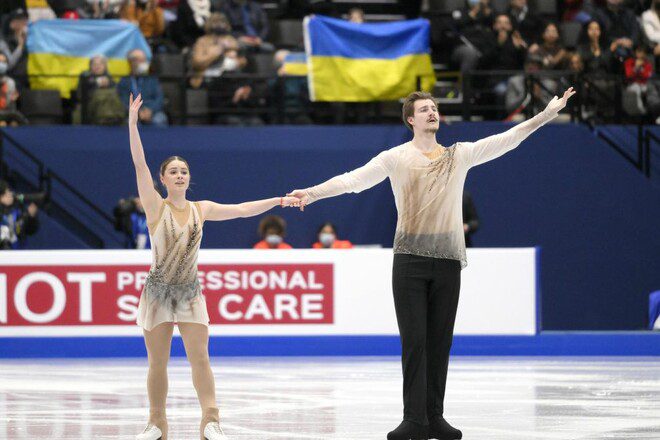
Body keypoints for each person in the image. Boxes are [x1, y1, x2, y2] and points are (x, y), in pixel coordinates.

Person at [288, 87, 576, 440]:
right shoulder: (395, 158)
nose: (432, 112)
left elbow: (508, 139)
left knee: (440, 342)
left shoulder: (459, 155)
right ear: (411, 119)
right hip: (409, 260)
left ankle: (434, 416)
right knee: (415, 342)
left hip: (448, 260)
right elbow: (352, 181)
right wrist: (311, 193)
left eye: (434, 107)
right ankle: (414, 419)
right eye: (424, 109)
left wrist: (545, 115)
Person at [128, 93, 300, 440]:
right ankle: (156, 424)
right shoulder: (155, 207)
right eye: (173, 172)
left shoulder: (201, 209)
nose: (179, 175)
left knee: (200, 359)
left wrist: (279, 200)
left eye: (184, 171)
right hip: (157, 293)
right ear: (163, 179)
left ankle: (210, 421)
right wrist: (133, 124)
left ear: (189, 178)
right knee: (157, 363)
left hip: (189, 293)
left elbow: (242, 209)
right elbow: (140, 166)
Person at [117, 49, 168, 127]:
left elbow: (159, 98)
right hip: (132, 113)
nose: (144, 63)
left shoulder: (152, 79)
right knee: (130, 122)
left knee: (159, 119)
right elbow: (123, 101)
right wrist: (137, 112)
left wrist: (150, 110)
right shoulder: (124, 81)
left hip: (152, 111)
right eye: (141, 60)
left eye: (144, 60)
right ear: (131, 62)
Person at [76, 54, 123, 125]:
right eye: (94, 64)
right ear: (90, 66)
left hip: (113, 114)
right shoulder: (85, 77)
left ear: (105, 66)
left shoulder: (111, 80)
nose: (97, 66)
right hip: (91, 113)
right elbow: (81, 95)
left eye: (100, 64)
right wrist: (97, 83)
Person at [0, 180, 39, 250]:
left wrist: (30, 217)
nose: (10, 194)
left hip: (18, 252)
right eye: (7, 193)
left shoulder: (18, 210)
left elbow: (29, 230)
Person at [0, 52, 27, 126]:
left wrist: (13, 99)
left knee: (14, 123)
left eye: (3, 62)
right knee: (2, 124)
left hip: (7, 113)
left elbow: (11, 106)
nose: (1, 64)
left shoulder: (10, 82)